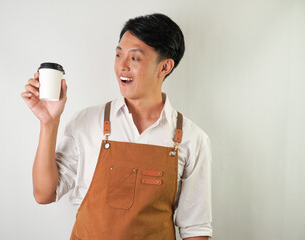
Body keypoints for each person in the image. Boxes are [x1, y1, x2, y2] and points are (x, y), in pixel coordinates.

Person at [21, 13, 212, 240]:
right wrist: (48, 123)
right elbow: (44, 194)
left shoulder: (192, 139)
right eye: (118, 54)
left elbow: (196, 229)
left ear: (164, 67)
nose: (121, 66)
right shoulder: (87, 123)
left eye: (134, 58)